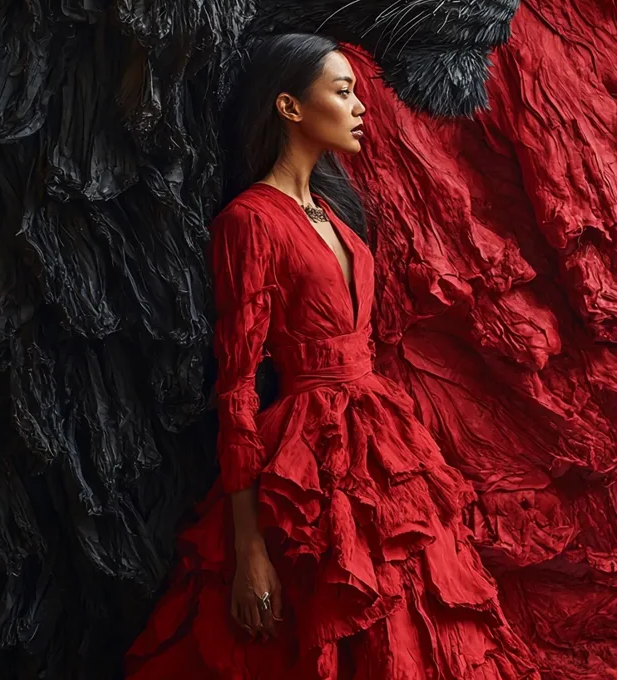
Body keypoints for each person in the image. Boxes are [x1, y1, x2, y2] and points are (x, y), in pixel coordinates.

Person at [126, 34, 537, 679]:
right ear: (289, 107)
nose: (360, 108)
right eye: (342, 93)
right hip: (307, 459)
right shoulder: (250, 220)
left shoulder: (337, 218)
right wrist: (248, 547)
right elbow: (235, 386)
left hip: (382, 442)